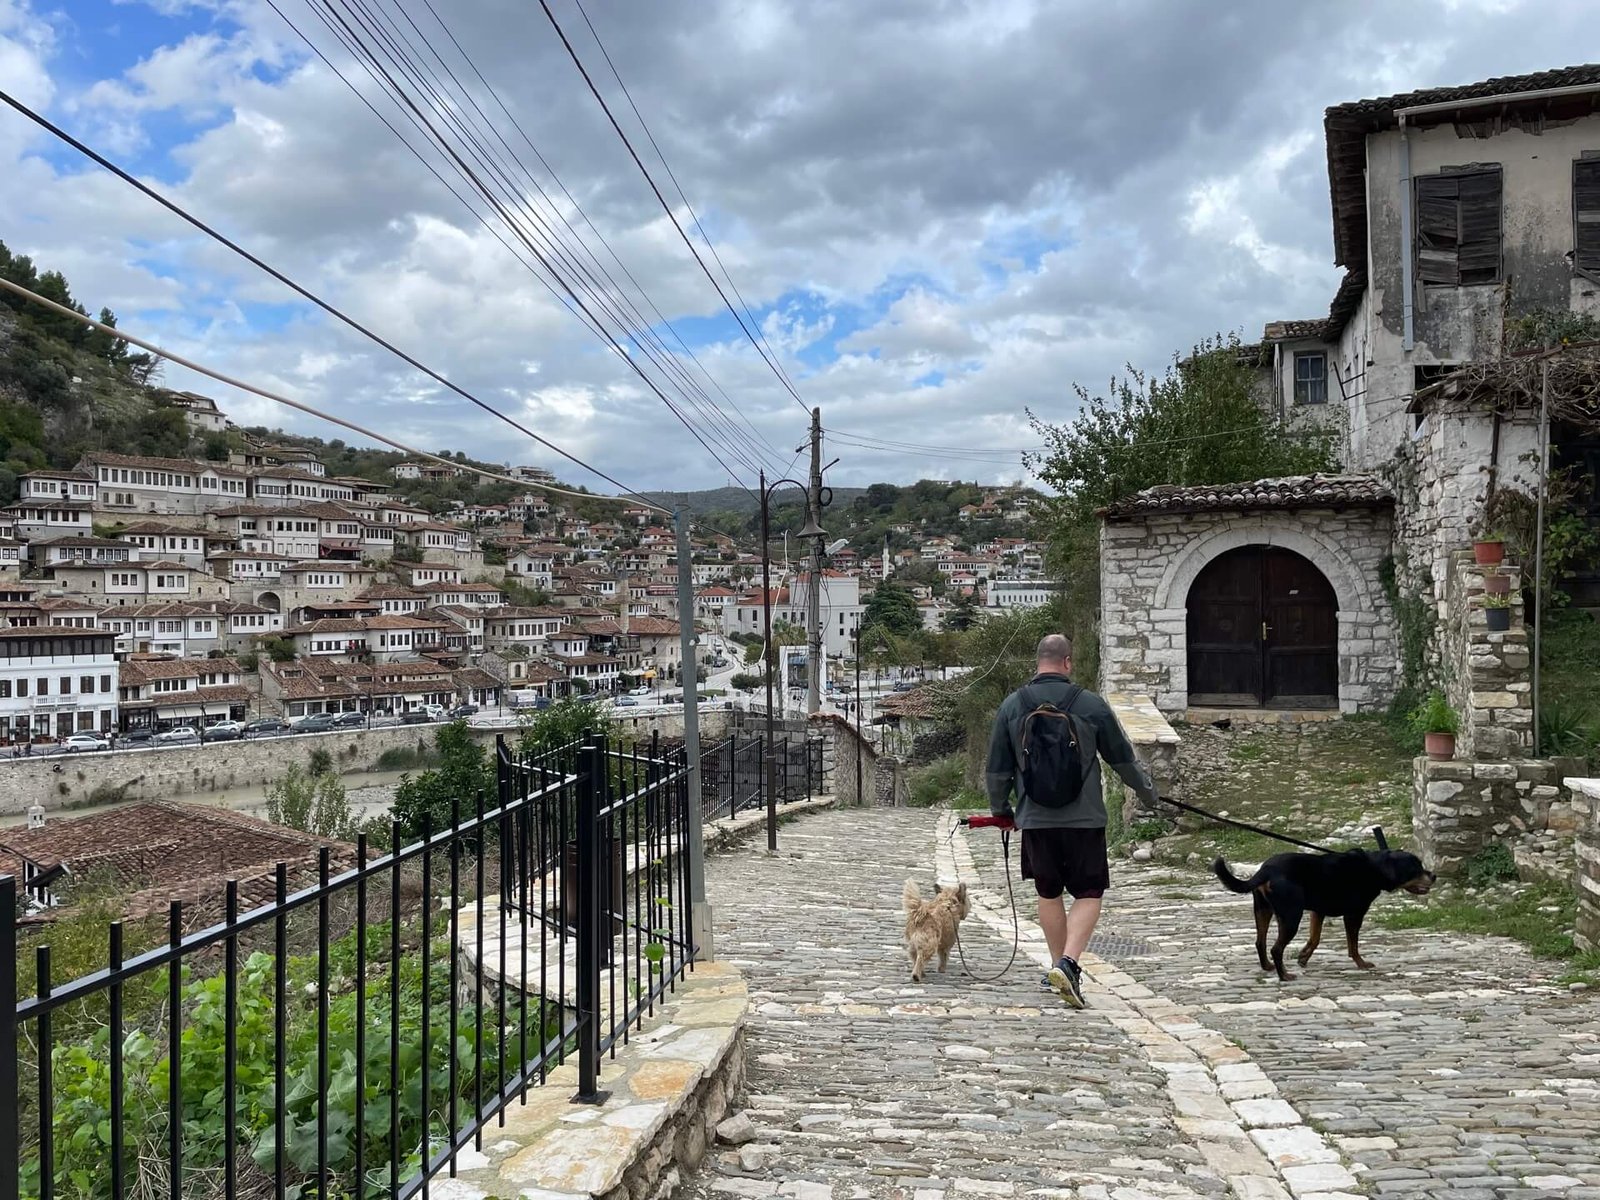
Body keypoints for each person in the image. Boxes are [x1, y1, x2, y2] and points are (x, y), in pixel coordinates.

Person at [985, 633, 1159, 1008]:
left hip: (1036, 819)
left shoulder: (1012, 706)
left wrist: (1002, 811)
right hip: (1085, 819)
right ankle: (1068, 963)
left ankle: (1057, 967)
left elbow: (997, 770)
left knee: (1048, 892)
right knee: (1089, 892)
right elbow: (1122, 759)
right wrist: (1148, 793)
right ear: (1067, 662)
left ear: (1038, 662)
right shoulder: (1090, 705)